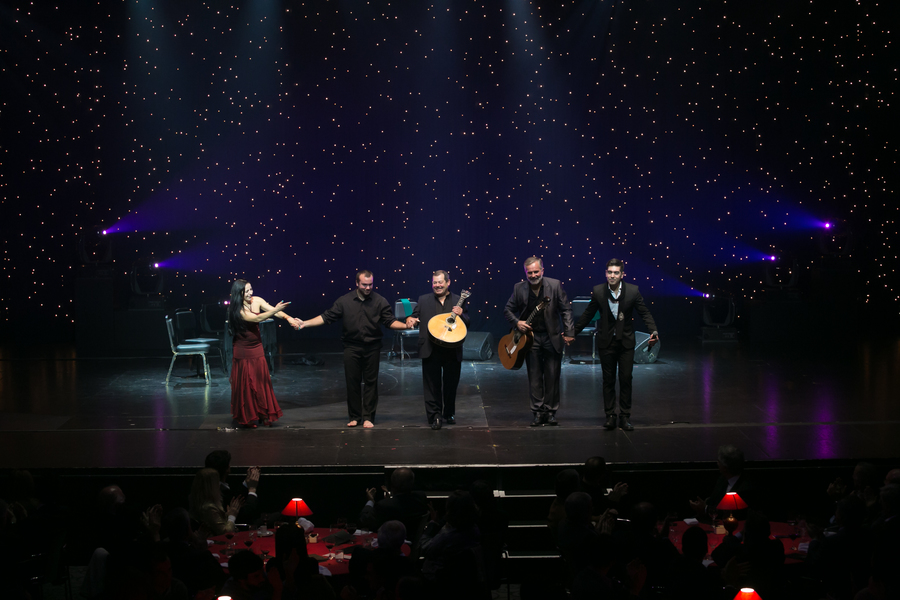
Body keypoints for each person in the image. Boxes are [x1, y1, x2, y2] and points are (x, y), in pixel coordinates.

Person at [299, 270, 410, 428]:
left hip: (372, 347)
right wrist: (304, 323)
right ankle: (355, 417)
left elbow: (389, 321)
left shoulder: (380, 301)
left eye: (370, 284)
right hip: (351, 347)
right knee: (352, 382)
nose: (368, 288)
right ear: (357, 283)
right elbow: (326, 317)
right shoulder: (345, 301)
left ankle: (368, 417)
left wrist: (405, 326)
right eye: (364, 285)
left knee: (371, 382)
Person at [571, 258, 658, 431]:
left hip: (625, 342)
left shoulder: (632, 291)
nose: (612, 276)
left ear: (622, 274)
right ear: (606, 273)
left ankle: (625, 416)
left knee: (625, 379)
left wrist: (653, 331)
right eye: (609, 272)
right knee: (608, 380)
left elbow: (644, 312)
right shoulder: (599, 291)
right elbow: (588, 314)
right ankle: (610, 415)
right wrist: (572, 332)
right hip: (607, 341)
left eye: (616, 273)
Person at [503, 257, 574, 426]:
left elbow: (566, 310)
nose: (533, 275)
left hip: (551, 337)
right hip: (530, 339)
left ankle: (550, 412)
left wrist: (569, 332)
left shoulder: (554, 285)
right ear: (525, 273)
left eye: (536, 271)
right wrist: (517, 322)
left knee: (552, 376)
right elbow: (507, 310)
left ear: (542, 270)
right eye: (530, 273)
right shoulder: (519, 288)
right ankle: (537, 412)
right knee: (534, 377)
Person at [227, 279, 299, 428]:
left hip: (257, 346)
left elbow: (273, 311)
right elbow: (257, 318)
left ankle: (264, 414)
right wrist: (275, 310)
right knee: (246, 383)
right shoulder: (237, 309)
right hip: (242, 349)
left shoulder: (257, 300)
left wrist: (288, 318)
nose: (250, 293)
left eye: (251, 289)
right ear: (239, 293)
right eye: (246, 291)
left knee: (261, 381)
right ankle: (247, 416)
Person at [405, 270, 469, 430]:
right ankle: (435, 416)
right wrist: (410, 319)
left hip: (452, 348)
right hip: (430, 348)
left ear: (448, 282)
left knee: (451, 384)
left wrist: (462, 315)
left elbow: (467, 322)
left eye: (440, 282)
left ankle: (449, 413)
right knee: (431, 385)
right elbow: (414, 316)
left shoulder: (458, 299)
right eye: (435, 282)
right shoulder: (423, 299)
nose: (437, 285)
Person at [188, 468, 243, 537]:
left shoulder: (202, 504)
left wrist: (226, 515)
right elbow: (225, 533)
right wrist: (232, 516)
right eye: (217, 482)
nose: (219, 485)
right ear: (211, 486)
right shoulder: (209, 508)